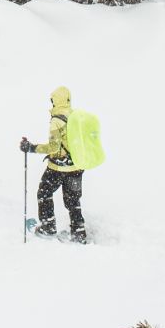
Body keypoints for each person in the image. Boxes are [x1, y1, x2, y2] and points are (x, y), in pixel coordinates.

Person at [21, 86, 102, 243]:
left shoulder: (56, 121)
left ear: (54, 101)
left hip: (58, 168)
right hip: (77, 165)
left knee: (44, 193)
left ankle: (48, 227)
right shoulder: (75, 117)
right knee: (73, 200)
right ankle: (79, 232)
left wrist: (31, 147)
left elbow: (53, 147)